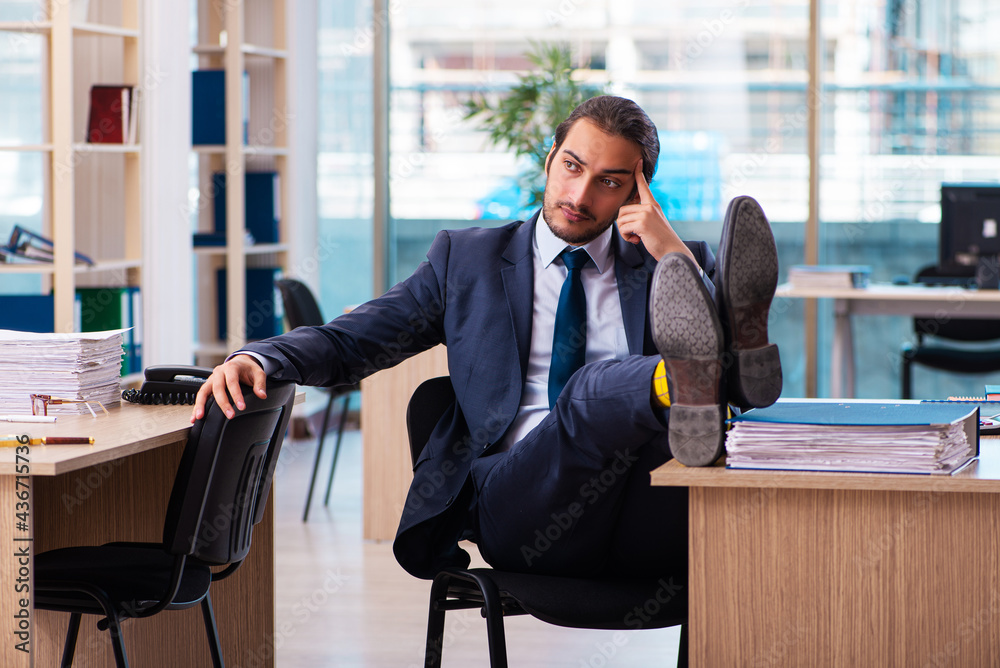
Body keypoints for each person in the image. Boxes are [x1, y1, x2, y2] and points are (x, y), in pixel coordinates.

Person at [192, 95, 782, 581]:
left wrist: (671, 252)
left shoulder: (669, 263)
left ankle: (695, 368)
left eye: (608, 181)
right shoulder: (467, 260)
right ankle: (675, 376)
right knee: (587, 394)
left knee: (697, 408)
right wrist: (261, 356)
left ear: (638, 189)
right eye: (572, 168)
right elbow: (356, 340)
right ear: (549, 160)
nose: (579, 197)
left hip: (643, 505)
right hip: (522, 508)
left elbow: (747, 401)